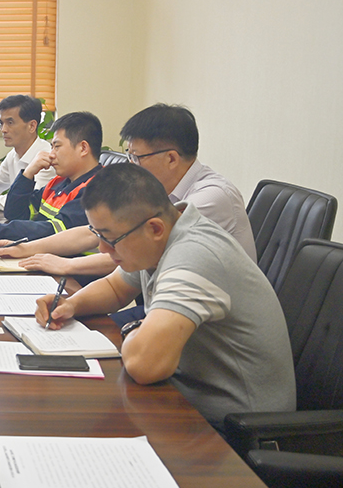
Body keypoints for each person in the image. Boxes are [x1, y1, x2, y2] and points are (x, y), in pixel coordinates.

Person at [36, 164, 294, 429]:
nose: (102, 248)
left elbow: (145, 365)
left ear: (155, 229)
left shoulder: (194, 256)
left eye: (109, 238)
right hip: (189, 395)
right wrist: (70, 305)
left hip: (236, 426)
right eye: (97, 235)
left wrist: (132, 330)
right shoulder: (160, 236)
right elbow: (115, 288)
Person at [0, 104, 256, 276]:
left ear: (171, 158)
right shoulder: (157, 192)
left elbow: (136, 250)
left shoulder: (211, 197)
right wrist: (26, 249)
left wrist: (66, 265)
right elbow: (92, 233)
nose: (131, 165)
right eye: (129, 156)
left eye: (137, 157)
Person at [0, 111, 102, 243]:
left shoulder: (97, 189)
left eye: (57, 146)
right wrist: (28, 173)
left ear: (83, 148)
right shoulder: (59, 183)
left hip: (73, 264)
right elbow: (15, 213)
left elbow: (53, 231)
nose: (51, 154)